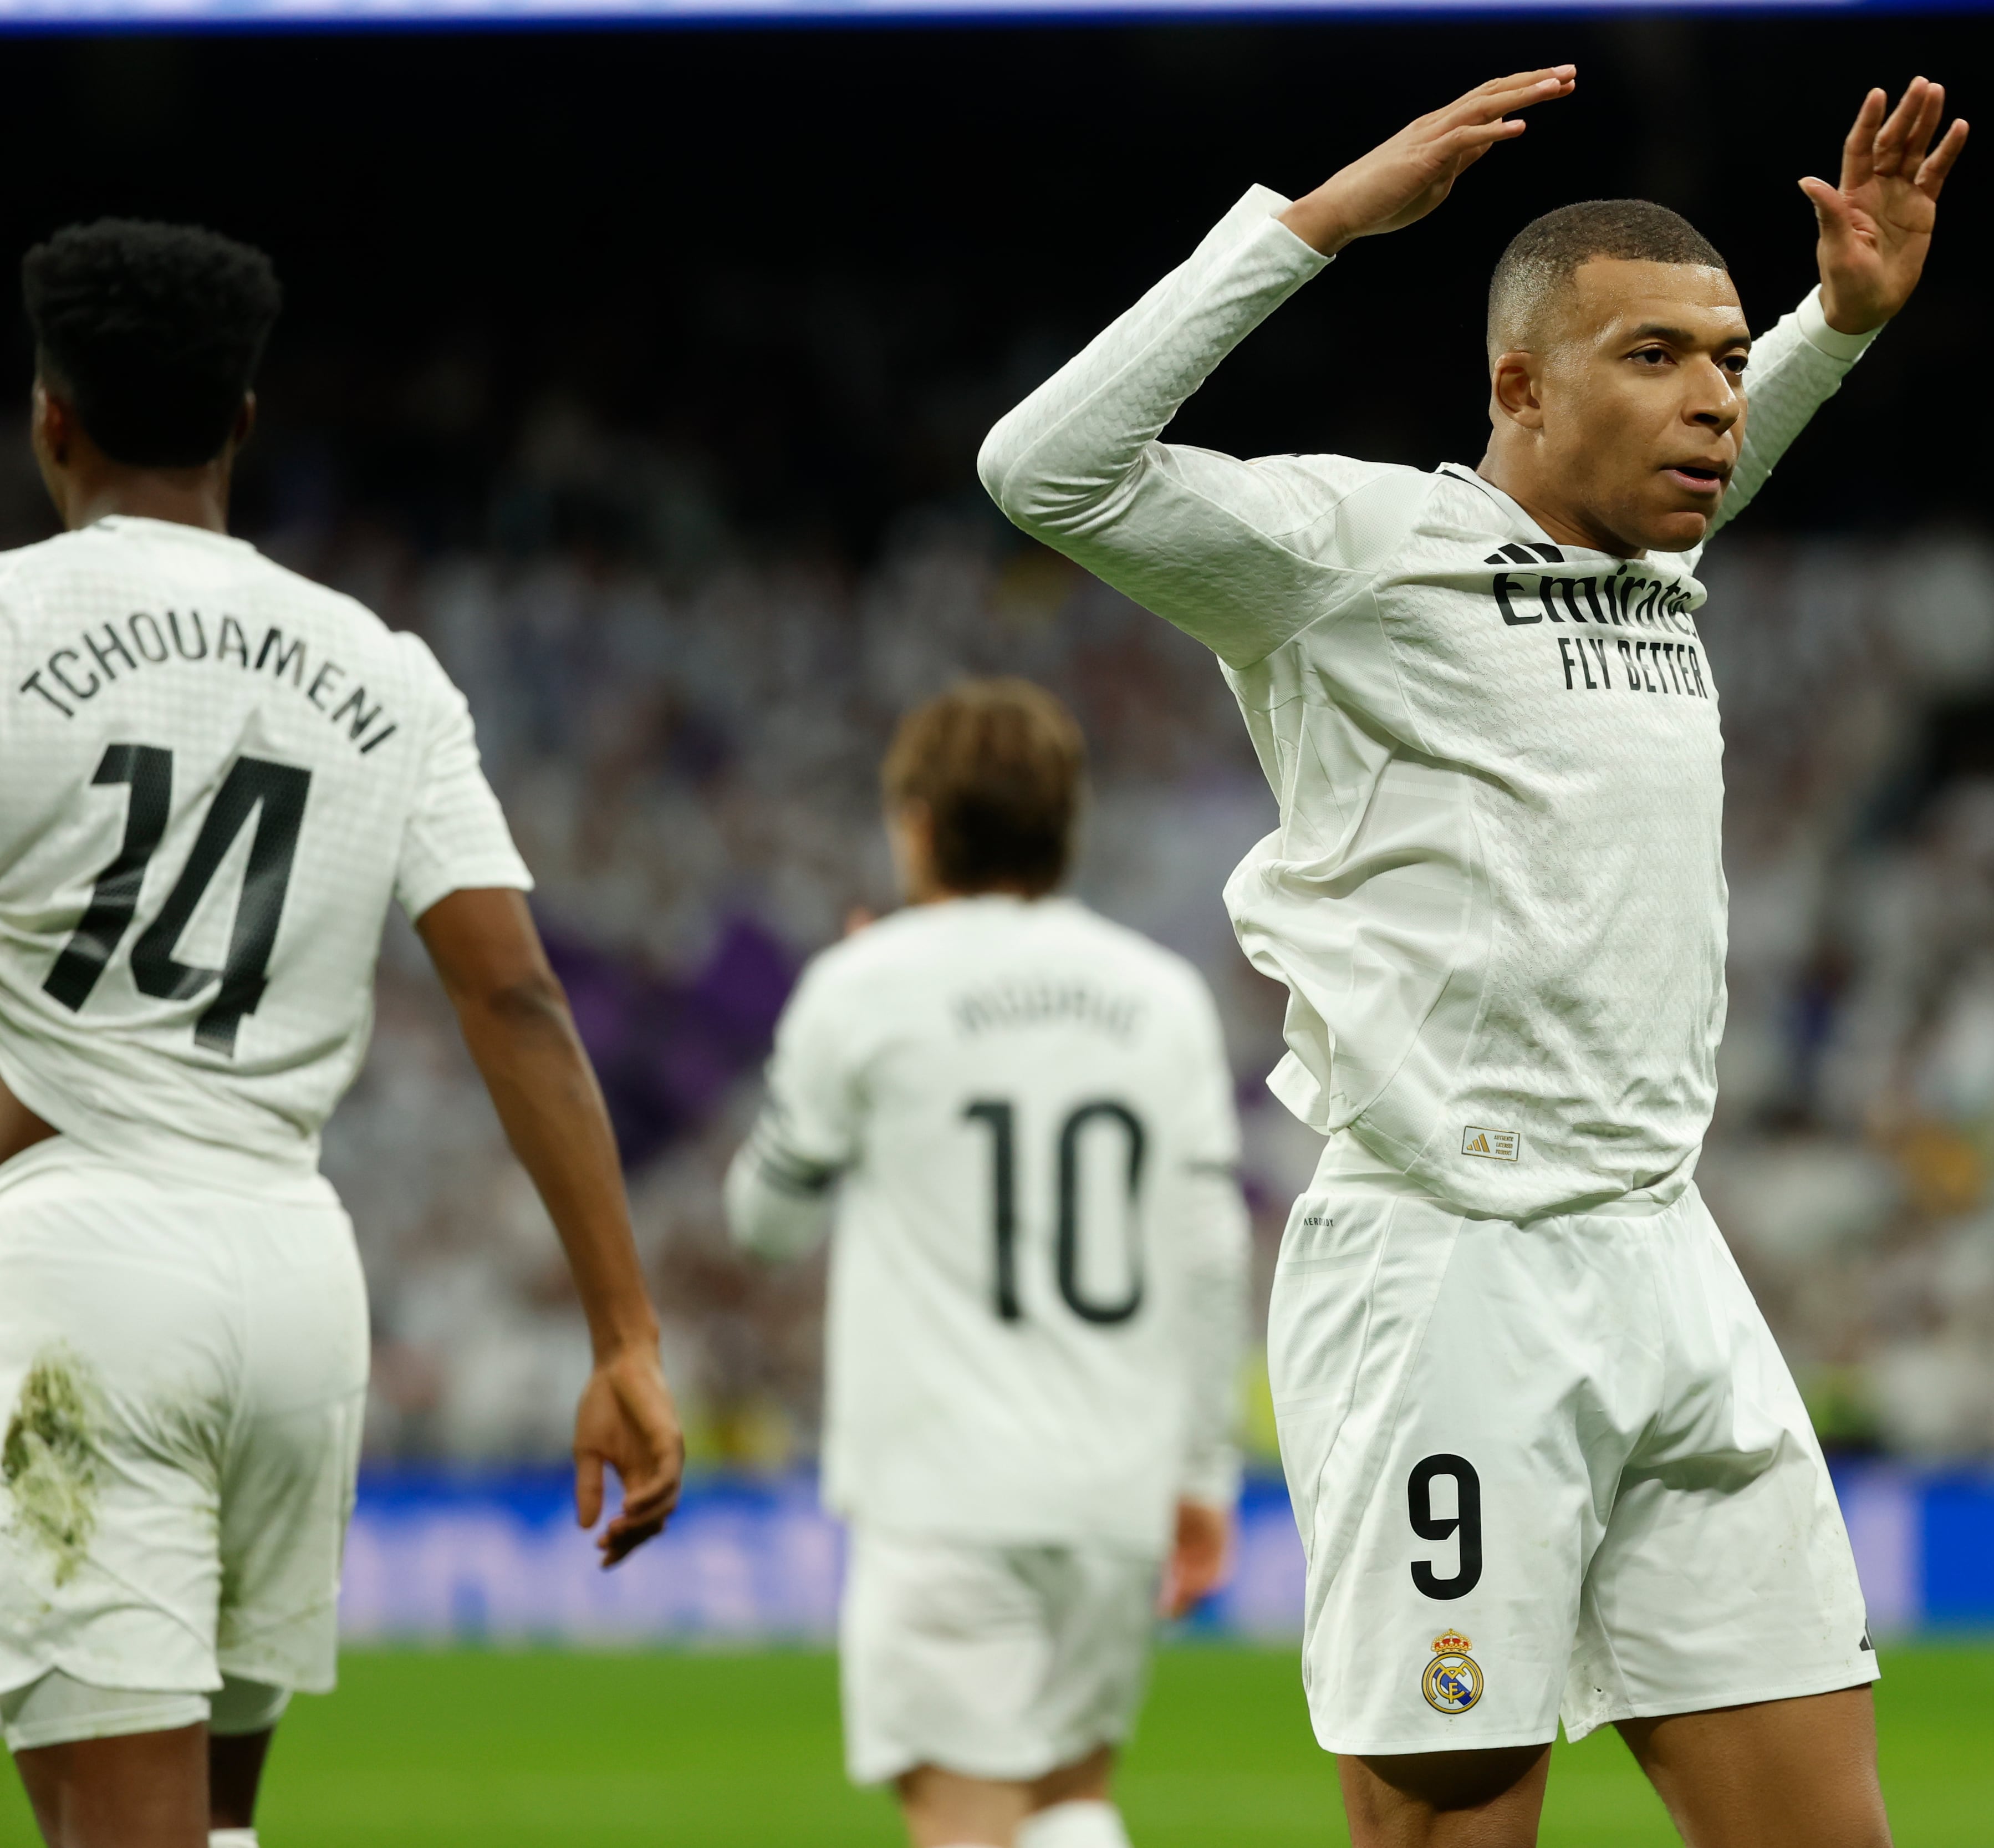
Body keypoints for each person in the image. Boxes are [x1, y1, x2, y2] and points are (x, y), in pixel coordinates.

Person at [980, 65, 1965, 1847]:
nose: (1717, 402)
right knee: (1450, 1820)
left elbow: (1701, 466)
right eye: (1658, 357)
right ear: (1517, 384)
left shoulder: (1648, 566)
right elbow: (1040, 466)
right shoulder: (1354, 555)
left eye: (1731, 359)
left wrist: (1840, 322)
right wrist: (1316, 228)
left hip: (1669, 1254)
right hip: (1450, 1272)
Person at [0, 220, 683, 1848]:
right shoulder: (384, 667)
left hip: (83, 1271)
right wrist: (625, 1330)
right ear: (244, 420)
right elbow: (512, 991)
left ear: (49, 419)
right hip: (299, 1277)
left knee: (122, 1824)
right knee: (214, 1820)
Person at [725, 679, 1250, 1848]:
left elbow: (763, 1221)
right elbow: (1209, 1249)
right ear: (1069, 821)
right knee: (1069, 1805)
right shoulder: (1160, 999)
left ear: (914, 822)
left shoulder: (863, 989)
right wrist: (1204, 1469)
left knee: (967, 1826)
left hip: (944, 1490)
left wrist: (823, 1059)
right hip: (1113, 1484)